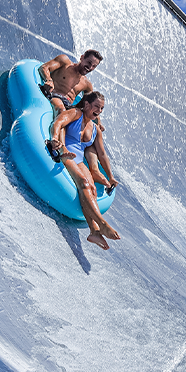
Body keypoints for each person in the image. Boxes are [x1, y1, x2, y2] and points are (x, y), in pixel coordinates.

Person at [49, 91, 121, 250]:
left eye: (102, 109)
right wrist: (55, 138)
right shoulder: (76, 113)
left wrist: (110, 176)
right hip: (66, 154)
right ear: (87, 104)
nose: (99, 111)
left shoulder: (95, 129)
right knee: (83, 183)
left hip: (79, 159)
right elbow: (58, 122)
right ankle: (102, 224)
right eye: (97, 107)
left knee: (92, 189)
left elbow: (102, 154)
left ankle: (94, 231)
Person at [39, 50, 110, 188]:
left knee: (91, 134)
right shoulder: (65, 62)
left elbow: (90, 103)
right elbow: (44, 67)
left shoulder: (87, 84)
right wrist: (48, 79)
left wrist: (98, 122)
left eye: (94, 66)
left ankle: (94, 170)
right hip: (55, 96)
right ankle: (57, 145)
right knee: (62, 110)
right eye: (89, 63)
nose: (90, 68)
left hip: (69, 105)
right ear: (82, 57)